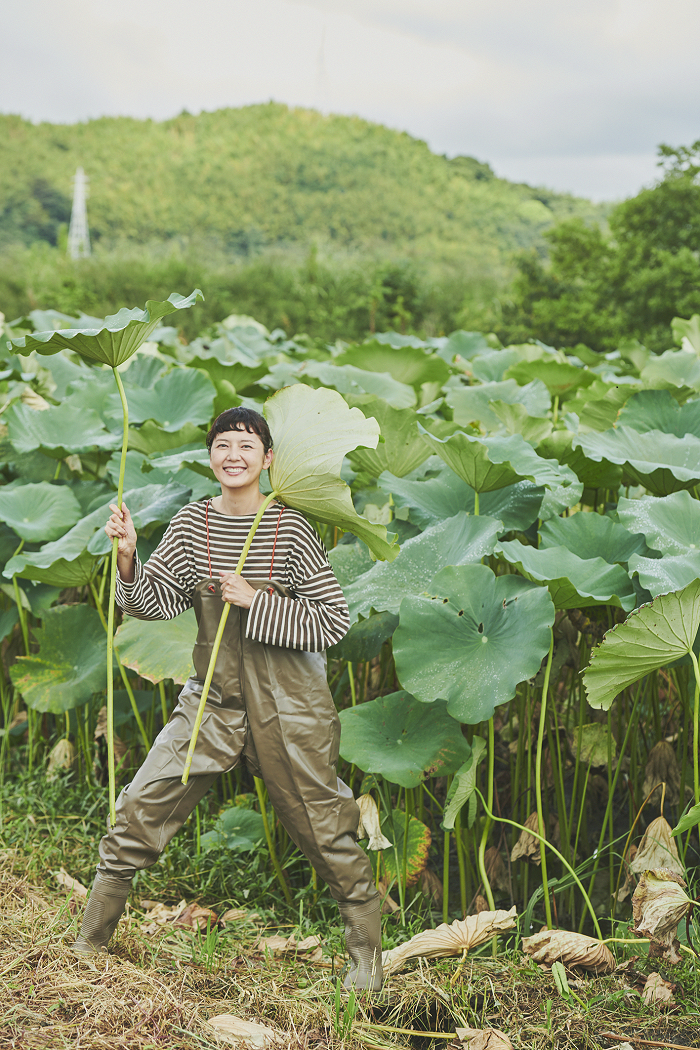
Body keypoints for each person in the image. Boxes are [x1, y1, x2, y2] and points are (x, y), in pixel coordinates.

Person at [73, 406, 383, 991]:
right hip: (212, 698)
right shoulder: (192, 525)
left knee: (323, 827)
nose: (233, 455)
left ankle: (367, 963)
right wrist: (127, 557)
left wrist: (255, 601)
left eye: (246, 445)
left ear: (268, 459)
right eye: (222, 444)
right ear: (210, 456)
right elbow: (151, 603)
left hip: (290, 703)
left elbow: (334, 621)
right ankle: (89, 946)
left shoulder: (289, 529)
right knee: (142, 805)